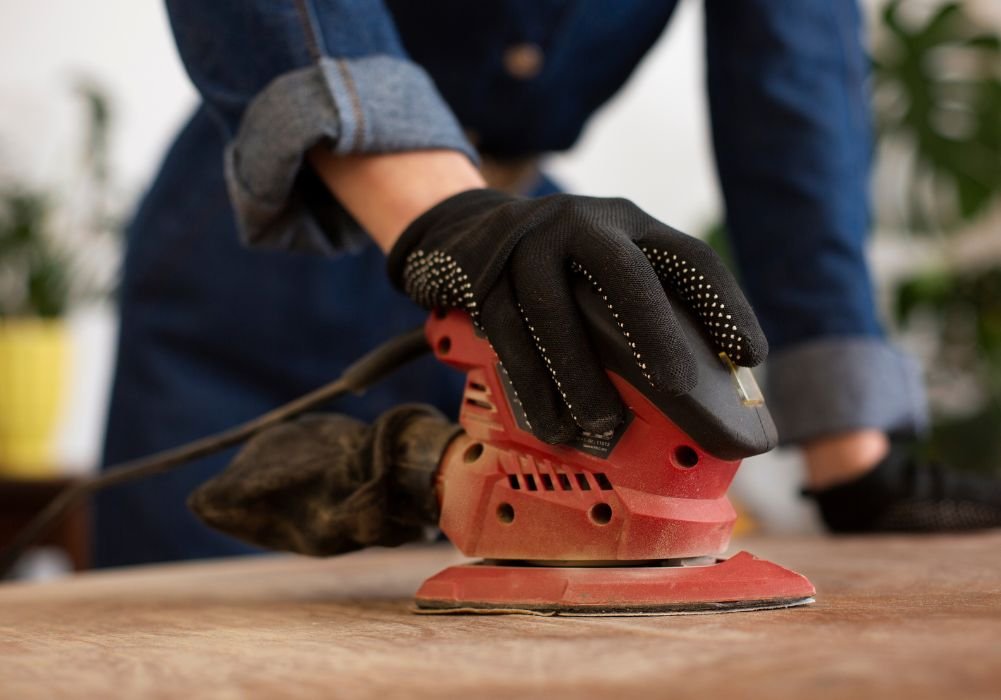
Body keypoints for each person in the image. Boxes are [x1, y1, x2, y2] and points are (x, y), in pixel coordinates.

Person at [95, 0, 1001, 567]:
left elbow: (793, 86)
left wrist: (849, 454)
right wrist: (445, 216)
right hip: (269, 256)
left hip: (521, 256)